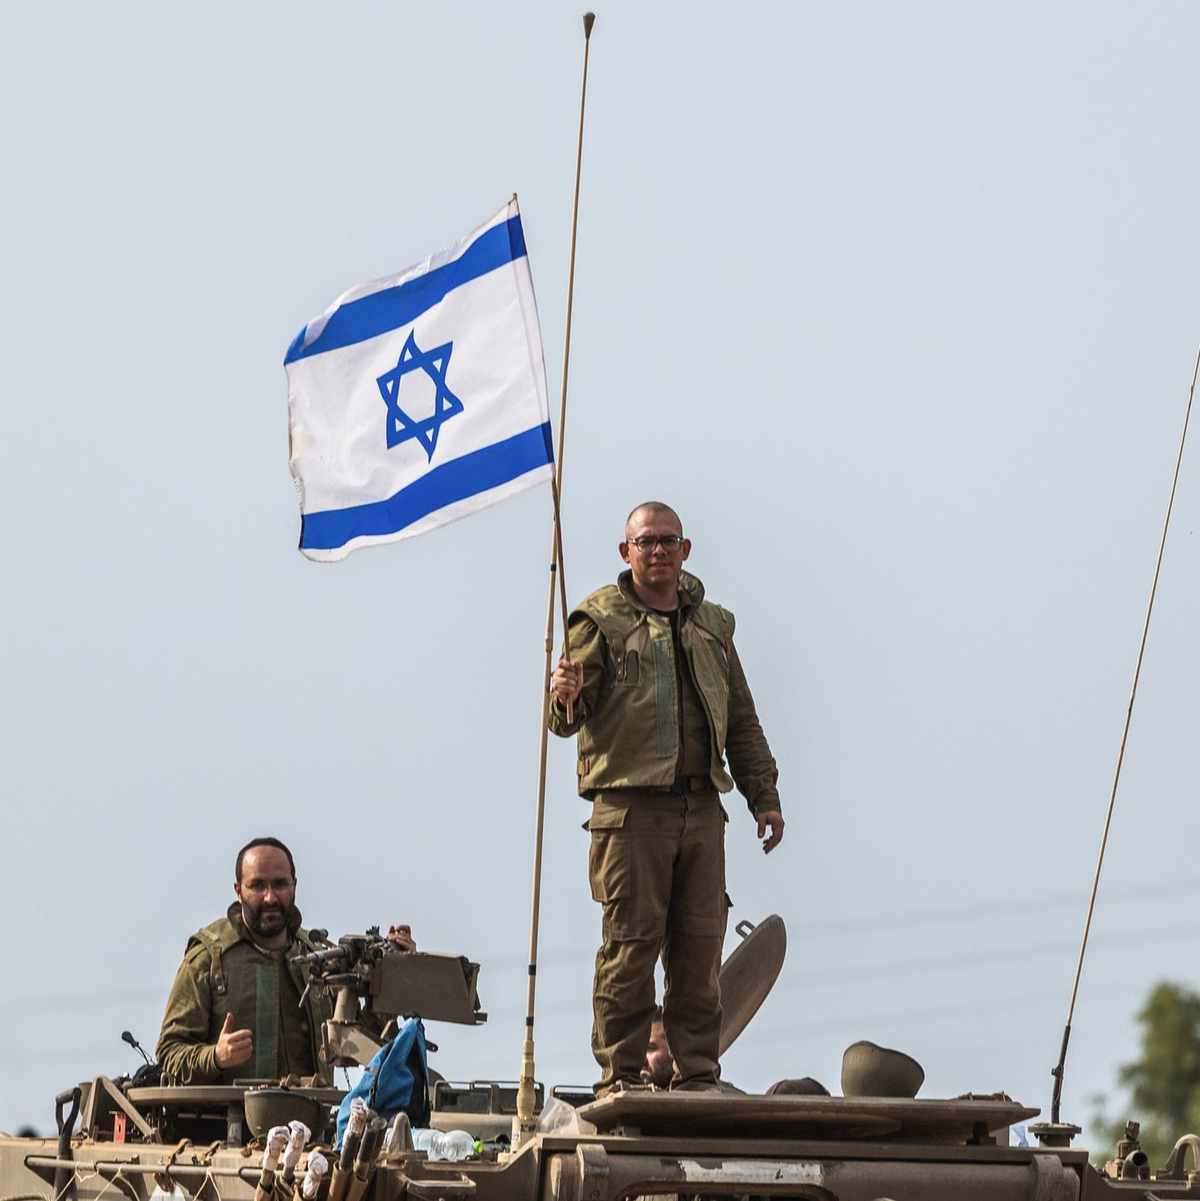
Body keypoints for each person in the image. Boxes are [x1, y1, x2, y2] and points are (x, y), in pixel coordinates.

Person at [549, 502, 784, 1096]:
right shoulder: (598, 622)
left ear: (686, 549)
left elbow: (742, 722)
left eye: (667, 541)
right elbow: (564, 721)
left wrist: (764, 795)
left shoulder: (713, 627)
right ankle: (621, 1076)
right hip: (631, 813)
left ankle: (697, 1076)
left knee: (700, 950)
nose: (657, 551)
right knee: (630, 949)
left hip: (701, 810)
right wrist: (564, 695)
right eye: (645, 541)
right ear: (625, 552)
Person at [156, 836, 415, 1085]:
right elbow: (170, 1052)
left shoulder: (318, 958)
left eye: (279, 884)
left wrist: (392, 970)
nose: (270, 897)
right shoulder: (209, 959)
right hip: (227, 1124)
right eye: (258, 885)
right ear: (238, 890)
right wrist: (215, 1057)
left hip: (310, 1126)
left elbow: (359, 1040)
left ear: (294, 886)